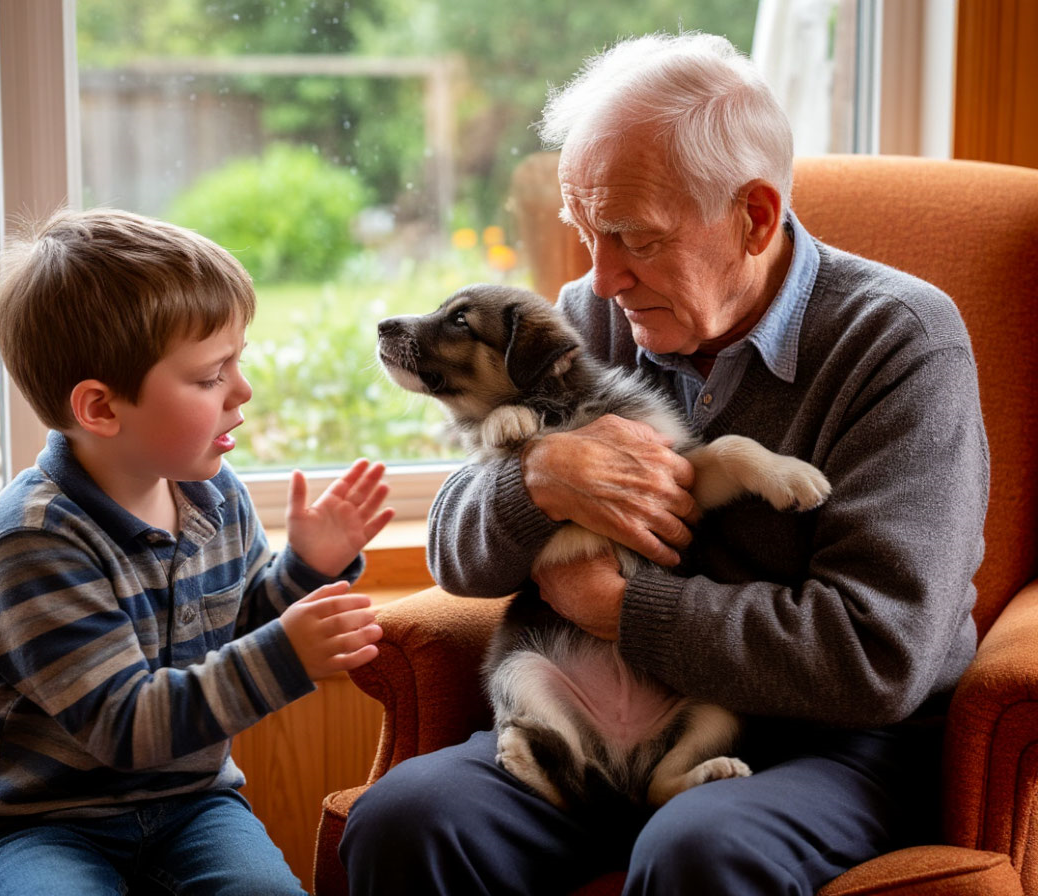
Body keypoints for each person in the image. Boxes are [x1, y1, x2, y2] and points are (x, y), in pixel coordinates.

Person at [340, 31, 989, 895]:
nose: (599, 278)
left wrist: (626, 611)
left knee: (697, 849)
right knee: (405, 819)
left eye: (632, 238)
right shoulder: (596, 318)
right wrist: (536, 482)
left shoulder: (899, 342)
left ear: (754, 218)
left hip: (828, 744)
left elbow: (877, 655)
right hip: (597, 718)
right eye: (586, 233)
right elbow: (457, 552)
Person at [0, 208, 394, 896]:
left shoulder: (213, 497)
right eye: (212, 374)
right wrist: (287, 655)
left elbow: (236, 632)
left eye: (236, 361)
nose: (242, 391)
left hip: (193, 807)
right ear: (100, 409)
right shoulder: (33, 539)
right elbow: (127, 726)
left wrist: (308, 570)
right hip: (40, 826)